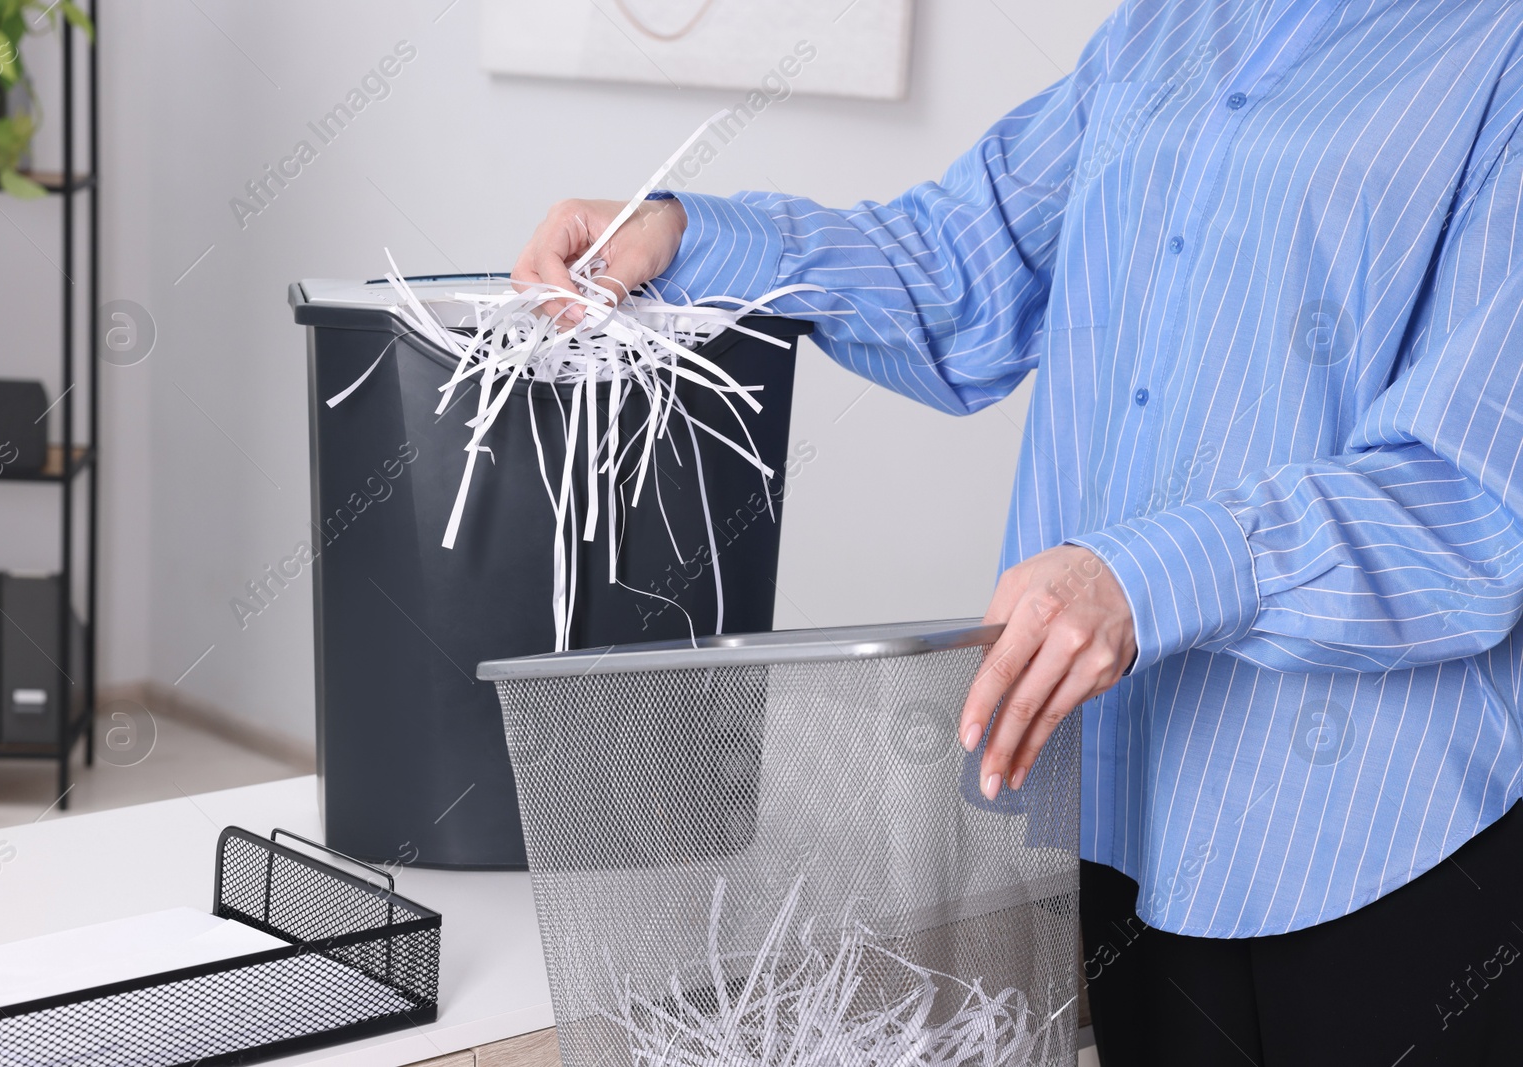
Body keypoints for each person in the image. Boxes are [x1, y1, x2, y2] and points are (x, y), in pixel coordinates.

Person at [512, 1, 1523, 1063]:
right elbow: (961, 272)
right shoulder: (1166, 27)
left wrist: (1147, 575)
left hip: (1380, 834)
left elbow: (1477, 491)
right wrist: (687, 231)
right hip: (1123, 802)